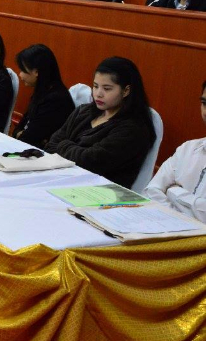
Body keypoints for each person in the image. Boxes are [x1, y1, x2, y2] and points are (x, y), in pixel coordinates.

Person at [47, 57, 154, 187]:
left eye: (107, 89)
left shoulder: (133, 129)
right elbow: (51, 145)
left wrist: (64, 144)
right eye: (95, 86)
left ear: (126, 91)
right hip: (62, 179)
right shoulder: (83, 111)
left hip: (99, 192)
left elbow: (89, 162)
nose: (98, 94)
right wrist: (74, 151)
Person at [145, 81, 206, 222]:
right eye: (204, 103)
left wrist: (173, 191)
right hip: (165, 227)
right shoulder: (187, 149)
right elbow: (151, 192)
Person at [12, 44, 75, 148]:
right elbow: (19, 128)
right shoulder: (41, 91)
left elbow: (28, 138)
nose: (20, 74)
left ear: (36, 72)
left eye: (22, 70)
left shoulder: (56, 100)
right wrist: (19, 133)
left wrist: (21, 134)